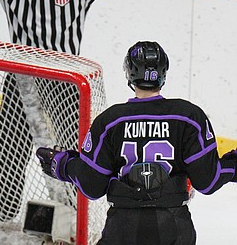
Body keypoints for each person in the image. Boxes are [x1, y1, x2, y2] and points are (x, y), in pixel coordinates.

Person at [36, 41, 237, 245]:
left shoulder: (110, 121)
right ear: (164, 73)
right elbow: (207, 181)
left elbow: (92, 186)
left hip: (122, 228)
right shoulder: (188, 117)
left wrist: (63, 164)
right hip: (174, 228)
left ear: (129, 73)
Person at [0, 0, 104, 221]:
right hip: (21, 78)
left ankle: (74, 211)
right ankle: (6, 207)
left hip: (66, 78)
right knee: (8, 144)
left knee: (75, 147)